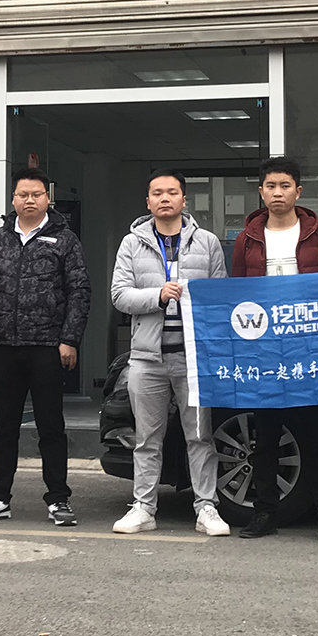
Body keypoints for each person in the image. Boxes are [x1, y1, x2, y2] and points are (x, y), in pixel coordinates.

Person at [0, 170, 90, 526]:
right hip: (4, 347)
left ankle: (58, 499)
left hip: (47, 347)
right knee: (4, 428)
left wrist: (69, 339)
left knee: (51, 428)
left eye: (36, 194)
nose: (30, 200)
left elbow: (79, 291)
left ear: (47, 199)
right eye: (23, 194)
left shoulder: (65, 239)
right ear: (13, 199)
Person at [230, 157, 318, 543]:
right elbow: (237, 295)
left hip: (310, 350)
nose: (277, 193)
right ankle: (265, 513)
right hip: (265, 352)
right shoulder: (246, 239)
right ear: (260, 192)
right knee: (265, 437)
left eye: (284, 186)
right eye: (270, 186)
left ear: (298, 191)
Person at [110, 170, 232, 537]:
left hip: (194, 357)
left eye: (172, 192)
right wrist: (157, 296)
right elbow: (119, 295)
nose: (165, 198)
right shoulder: (132, 244)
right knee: (147, 439)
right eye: (158, 193)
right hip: (147, 357)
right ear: (148, 202)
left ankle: (206, 507)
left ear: (184, 200)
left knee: (200, 436)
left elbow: (221, 296)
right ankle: (144, 508)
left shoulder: (207, 242)